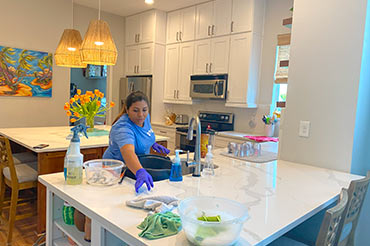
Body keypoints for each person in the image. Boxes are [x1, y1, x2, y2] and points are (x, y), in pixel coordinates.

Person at [103, 91, 170, 192]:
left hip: (132, 169)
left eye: (144, 110)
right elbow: (128, 152)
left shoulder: (145, 118)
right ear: (127, 109)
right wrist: (140, 172)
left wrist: (151, 143)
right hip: (115, 172)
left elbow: (143, 133)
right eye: (135, 110)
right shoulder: (123, 127)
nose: (141, 115)